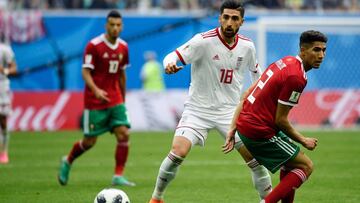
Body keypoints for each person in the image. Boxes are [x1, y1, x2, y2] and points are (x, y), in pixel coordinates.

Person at [149, 1, 272, 202]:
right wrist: (169, 64)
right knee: (178, 152)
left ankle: (267, 200)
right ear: (219, 18)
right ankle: (156, 198)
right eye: (226, 17)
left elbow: (257, 74)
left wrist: (256, 101)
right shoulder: (203, 41)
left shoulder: (248, 46)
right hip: (198, 110)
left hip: (230, 113)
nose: (229, 22)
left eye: (234, 18)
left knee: (256, 161)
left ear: (241, 21)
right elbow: (173, 55)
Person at [223, 30, 327, 203]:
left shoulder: (284, 62)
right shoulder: (297, 77)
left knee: (290, 163)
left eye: (324, 50)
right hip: (259, 131)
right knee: (306, 166)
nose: (321, 55)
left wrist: (233, 127)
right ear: (303, 50)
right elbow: (281, 120)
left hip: (247, 123)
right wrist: (303, 140)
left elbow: (248, 93)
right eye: (316, 50)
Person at [58, 10, 135, 187]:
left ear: (122, 27)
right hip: (95, 101)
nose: (115, 28)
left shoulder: (124, 47)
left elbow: (122, 74)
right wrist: (96, 90)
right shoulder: (94, 45)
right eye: (112, 25)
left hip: (115, 98)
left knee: (123, 133)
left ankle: (118, 175)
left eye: (118, 25)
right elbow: (85, 71)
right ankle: (68, 161)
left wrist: (123, 98)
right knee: (89, 141)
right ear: (106, 26)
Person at [0, 41, 17, 164]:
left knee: (3, 121)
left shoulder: (4, 50)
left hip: (2, 87)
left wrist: (4, 71)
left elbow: (14, 69)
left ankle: (4, 152)